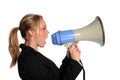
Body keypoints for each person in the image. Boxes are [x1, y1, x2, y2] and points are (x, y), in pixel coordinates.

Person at [8, 13, 83, 80]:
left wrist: (69, 58)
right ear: (31, 32)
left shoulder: (32, 57)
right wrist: (74, 62)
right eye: (43, 28)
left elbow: (58, 77)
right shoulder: (29, 59)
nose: (47, 32)